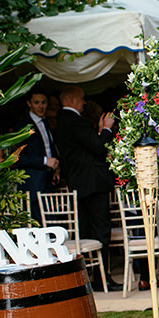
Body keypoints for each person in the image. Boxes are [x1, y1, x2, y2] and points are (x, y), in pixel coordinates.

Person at [54, 86, 122, 291]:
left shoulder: (62, 122)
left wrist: (99, 132)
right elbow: (100, 149)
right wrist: (107, 129)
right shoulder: (75, 121)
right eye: (82, 99)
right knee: (101, 231)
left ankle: (92, 277)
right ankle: (102, 278)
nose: (84, 103)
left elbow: (87, 148)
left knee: (86, 232)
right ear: (73, 100)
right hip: (92, 184)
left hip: (79, 183)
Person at [14, 89, 60, 224]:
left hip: (47, 181)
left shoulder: (46, 123)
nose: (41, 106)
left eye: (44, 102)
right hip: (32, 184)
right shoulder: (22, 126)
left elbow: (49, 148)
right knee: (38, 225)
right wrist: (45, 161)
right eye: (37, 103)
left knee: (51, 222)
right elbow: (18, 157)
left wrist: (55, 168)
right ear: (29, 104)